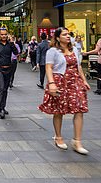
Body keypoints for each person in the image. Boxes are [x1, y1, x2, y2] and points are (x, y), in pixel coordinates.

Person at [39, 27, 91, 155]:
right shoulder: (53, 51)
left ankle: (77, 141)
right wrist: (51, 83)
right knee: (59, 110)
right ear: (57, 37)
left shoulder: (74, 50)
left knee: (79, 108)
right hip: (60, 81)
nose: (68, 36)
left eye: (68, 34)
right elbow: (49, 67)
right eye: (65, 34)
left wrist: (84, 80)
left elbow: (78, 67)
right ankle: (58, 137)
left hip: (75, 81)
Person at [0, 28, 19, 119]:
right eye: (2, 34)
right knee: (1, 88)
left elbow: (16, 53)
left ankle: (3, 106)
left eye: (5, 34)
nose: (4, 36)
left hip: (8, 69)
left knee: (5, 89)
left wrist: (12, 43)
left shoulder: (10, 44)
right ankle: (1, 109)